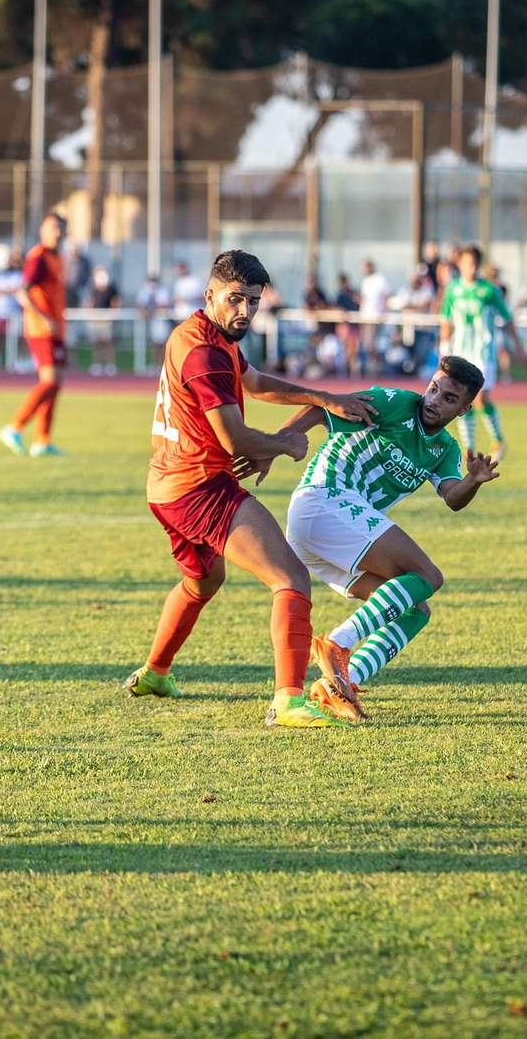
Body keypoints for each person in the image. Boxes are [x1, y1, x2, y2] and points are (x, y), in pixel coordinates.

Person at [122, 249, 378, 728]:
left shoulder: (203, 334)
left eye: (254, 302)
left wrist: (324, 398)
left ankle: (155, 673)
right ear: (210, 295)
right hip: (199, 488)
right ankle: (288, 703)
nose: (245, 311)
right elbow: (234, 437)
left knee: (203, 581)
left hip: (166, 487)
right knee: (291, 579)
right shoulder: (204, 352)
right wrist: (283, 443)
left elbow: (255, 382)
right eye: (235, 299)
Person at [265, 357, 500, 721]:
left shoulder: (446, 449)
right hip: (322, 498)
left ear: (465, 408)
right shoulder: (394, 402)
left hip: (324, 529)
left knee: (415, 611)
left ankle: (338, 684)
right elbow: (322, 408)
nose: (434, 400)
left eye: (449, 398)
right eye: (434, 388)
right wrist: (277, 444)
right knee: (428, 577)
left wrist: (473, 480)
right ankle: (337, 643)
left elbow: (453, 498)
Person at [0, 214, 69, 458]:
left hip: (56, 329)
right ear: (42, 230)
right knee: (49, 381)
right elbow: (22, 293)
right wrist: (44, 317)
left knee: (56, 384)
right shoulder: (38, 258)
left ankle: (42, 441)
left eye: (59, 228)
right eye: (52, 228)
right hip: (41, 330)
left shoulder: (57, 257)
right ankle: (14, 426)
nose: (56, 232)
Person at [439, 245, 517, 461]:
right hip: (460, 353)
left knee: (481, 398)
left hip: (484, 353)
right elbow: (446, 321)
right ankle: (469, 449)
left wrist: (518, 346)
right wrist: (444, 350)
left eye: (474, 264)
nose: (470, 269)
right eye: (466, 264)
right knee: (462, 400)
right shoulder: (453, 290)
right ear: (460, 264)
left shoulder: (489, 291)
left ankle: (498, 440)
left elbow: (507, 318)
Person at [85, 265, 121, 375]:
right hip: (95, 317)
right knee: (97, 342)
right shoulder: (93, 287)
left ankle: (111, 364)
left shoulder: (111, 288)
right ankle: (97, 364)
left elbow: (116, 301)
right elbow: (89, 301)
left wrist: (114, 314)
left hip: (106, 317)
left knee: (108, 342)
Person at [358, 259, 389, 378]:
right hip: (365, 316)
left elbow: (386, 294)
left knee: (372, 344)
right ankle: (373, 367)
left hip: (375, 316)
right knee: (367, 345)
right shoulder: (365, 281)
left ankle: (379, 366)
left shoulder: (379, 279)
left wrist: (383, 312)